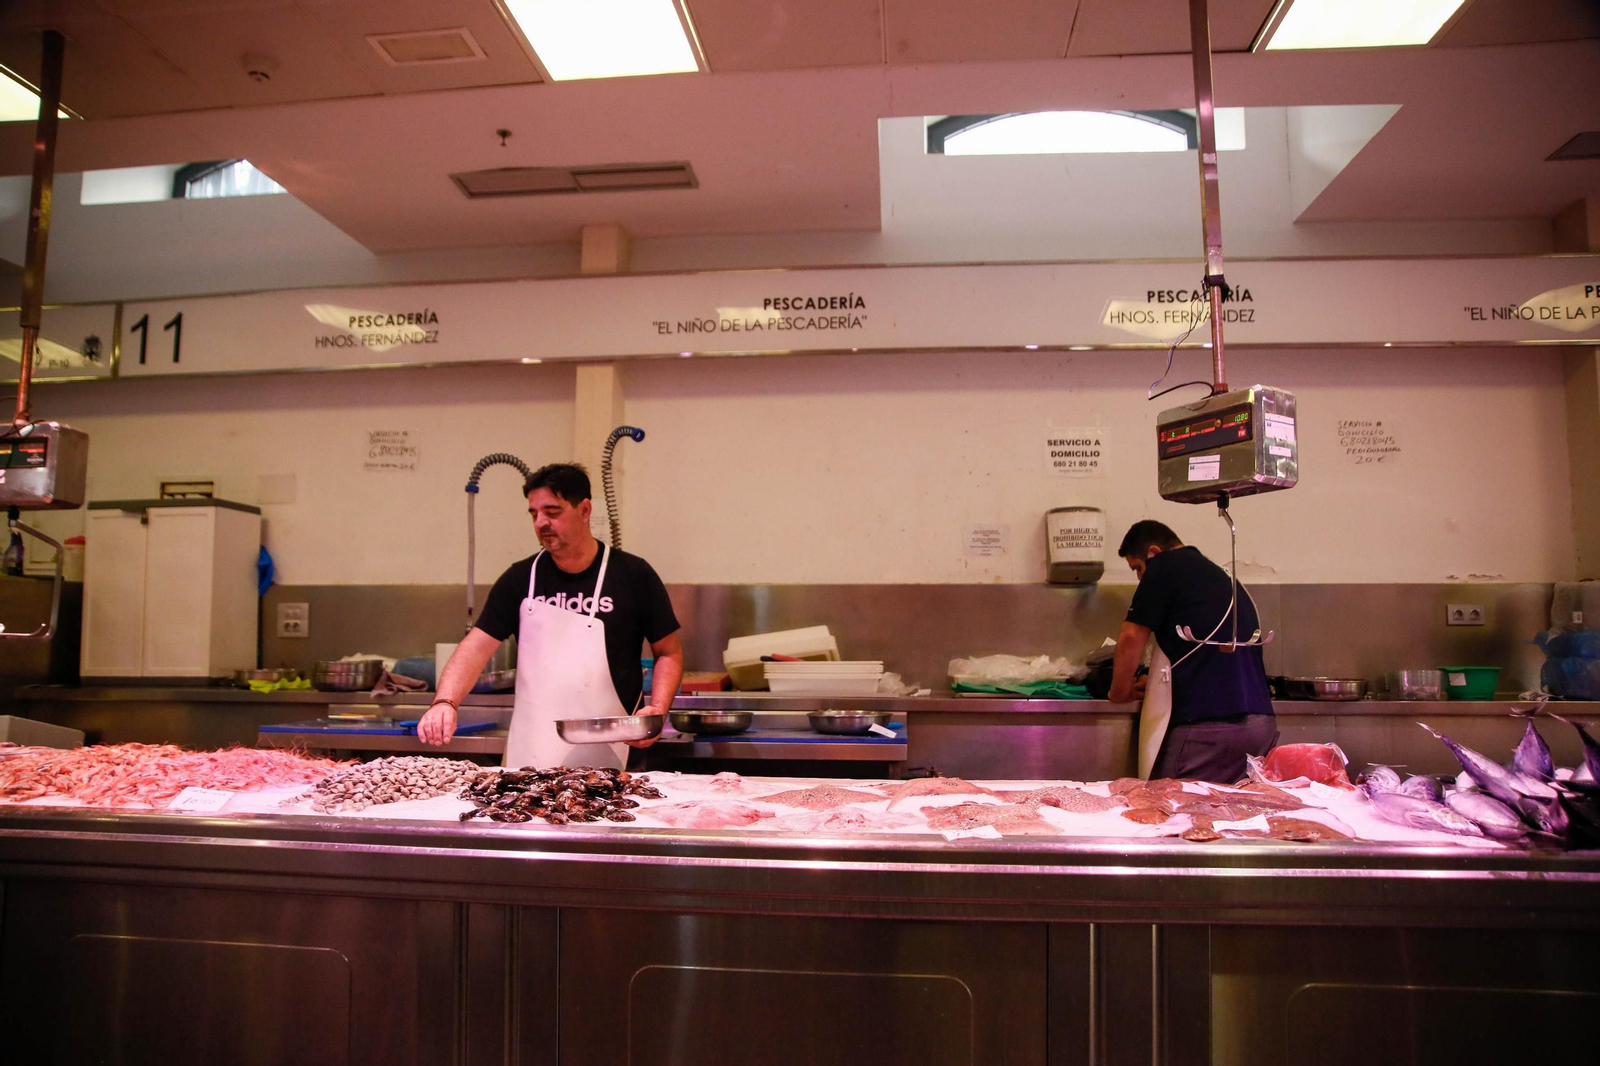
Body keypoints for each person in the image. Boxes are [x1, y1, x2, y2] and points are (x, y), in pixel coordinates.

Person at [418, 463, 684, 770]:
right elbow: (475, 648)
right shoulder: (520, 579)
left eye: (552, 512)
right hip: (533, 758)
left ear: (584, 510)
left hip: (618, 754)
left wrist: (658, 709)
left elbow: (669, 652)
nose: (541, 522)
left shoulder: (633, 575)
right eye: (534, 513)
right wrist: (445, 702)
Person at [1107, 519, 1275, 783]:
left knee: (1170, 815)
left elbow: (1131, 637)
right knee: (1235, 817)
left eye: (1138, 568)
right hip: (1259, 725)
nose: (1140, 577)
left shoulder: (1163, 566)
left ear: (1154, 552)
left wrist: (1119, 691)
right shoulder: (1222, 576)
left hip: (1206, 730)